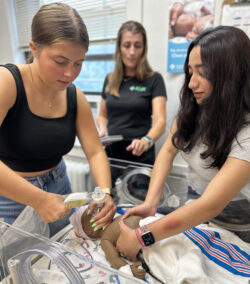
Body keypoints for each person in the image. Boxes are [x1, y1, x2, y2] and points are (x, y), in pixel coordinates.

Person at [116, 26, 250, 261]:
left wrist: (143, 237)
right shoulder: (196, 108)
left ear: (231, 75)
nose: (191, 83)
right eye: (190, 72)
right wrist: (150, 203)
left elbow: (210, 205)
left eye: (202, 72)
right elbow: (167, 151)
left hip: (239, 222)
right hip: (197, 204)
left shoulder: (246, 132)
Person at [0, 3, 115, 236]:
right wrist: (37, 199)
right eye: (60, 62)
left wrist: (104, 191)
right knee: (17, 266)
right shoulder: (7, 83)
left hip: (60, 188)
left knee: (59, 258)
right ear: (34, 48)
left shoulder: (75, 96)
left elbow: (94, 150)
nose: (70, 74)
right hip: (12, 196)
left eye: (78, 64)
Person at [97, 21, 167, 171]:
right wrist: (103, 130)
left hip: (140, 155)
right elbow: (102, 115)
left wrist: (146, 140)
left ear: (144, 48)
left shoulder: (154, 79)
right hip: (112, 155)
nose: (132, 52)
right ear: (119, 48)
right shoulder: (110, 79)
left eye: (137, 45)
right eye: (127, 45)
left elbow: (160, 121)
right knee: (109, 194)